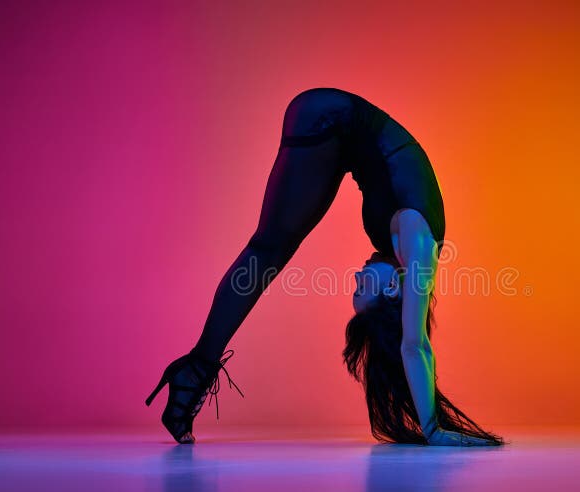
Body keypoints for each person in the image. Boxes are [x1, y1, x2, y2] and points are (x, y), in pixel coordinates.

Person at [145, 88, 506, 447]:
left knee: (271, 248)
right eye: (362, 288)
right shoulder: (419, 247)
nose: (356, 276)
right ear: (393, 288)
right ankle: (193, 373)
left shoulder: (396, 245)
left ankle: (194, 371)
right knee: (269, 250)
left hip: (334, 129)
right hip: (332, 117)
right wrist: (432, 429)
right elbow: (414, 345)